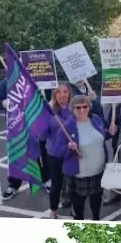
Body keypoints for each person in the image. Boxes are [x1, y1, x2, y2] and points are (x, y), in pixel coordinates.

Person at [54, 95, 108, 221]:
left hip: (98, 170)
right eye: (78, 108)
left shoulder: (96, 119)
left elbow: (101, 137)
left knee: (96, 201)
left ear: (89, 107)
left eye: (85, 106)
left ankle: (96, 220)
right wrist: (68, 147)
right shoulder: (67, 125)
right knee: (78, 204)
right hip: (80, 173)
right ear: (72, 109)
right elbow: (57, 151)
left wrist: (110, 132)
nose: (82, 110)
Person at [40, 83, 74, 218]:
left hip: (72, 152)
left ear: (69, 94)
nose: (62, 95)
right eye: (59, 92)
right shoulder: (49, 112)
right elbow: (42, 136)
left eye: (65, 92)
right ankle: (53, 210)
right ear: (54, 95)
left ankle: (73, 206)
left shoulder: (75, 109)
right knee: (56, 184)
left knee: (73, 183)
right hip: (55, 154)